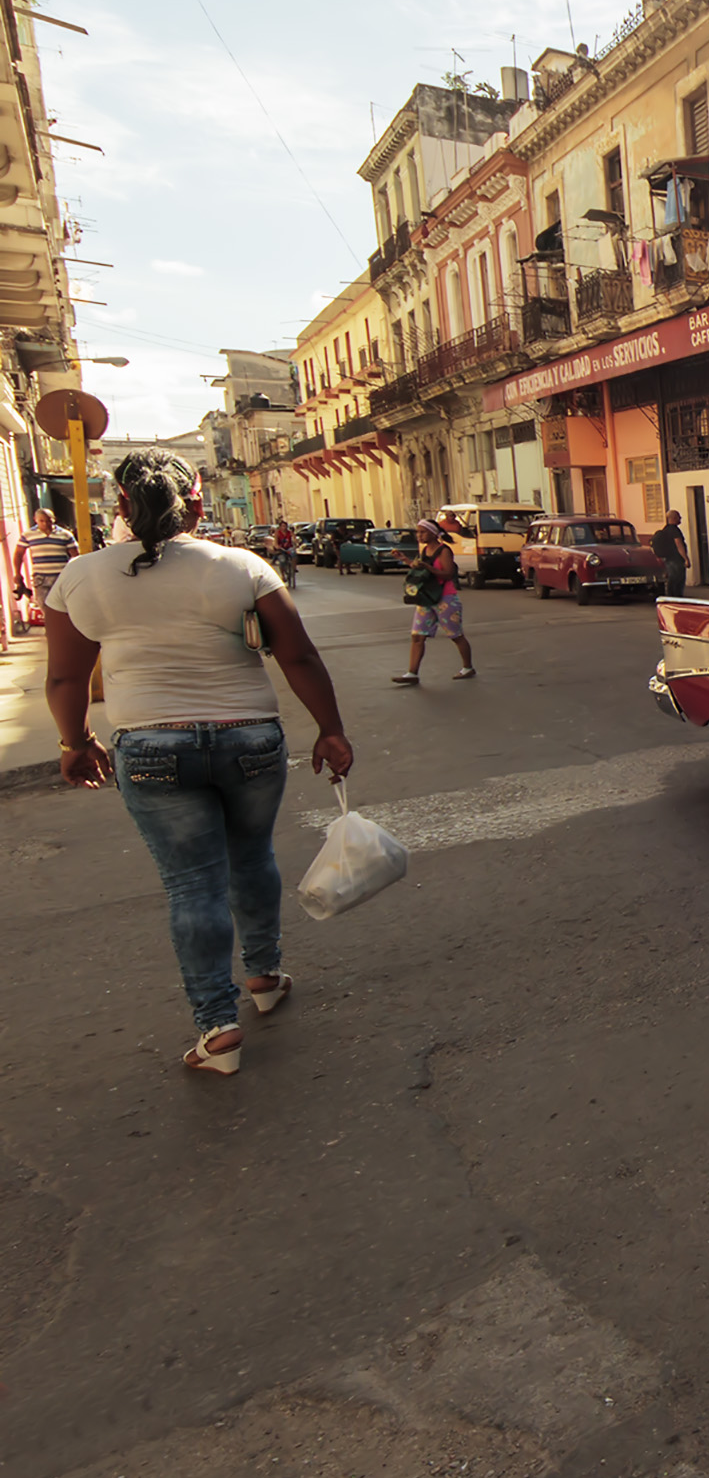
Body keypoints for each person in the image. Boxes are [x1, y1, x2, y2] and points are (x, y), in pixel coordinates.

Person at [42, 451, 352, 1077]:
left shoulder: (81, 576)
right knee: (252, 857)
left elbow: (64, 678)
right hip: (250, 739)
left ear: (121, 504)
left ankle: (217, 1026)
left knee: (193, 885)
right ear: (197, 504)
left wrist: (75, 742)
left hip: (152, 746)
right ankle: (264, 976)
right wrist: (330, 730)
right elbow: (298, 657)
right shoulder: (242, 566)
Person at [394, 518, 475, 684]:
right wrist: (405, 560)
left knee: (455, 635)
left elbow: (448, 574)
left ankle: (468, 667)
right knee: (417, 636)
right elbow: (420, 569)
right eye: (418, 532)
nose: (419, 536)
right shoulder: (425, 550)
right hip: (427, 598)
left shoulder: (444, 550)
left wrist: (429, 568)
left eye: (423, 532)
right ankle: (412, 673)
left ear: (433, 533)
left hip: (445, 598)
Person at [17, 507, 77, 621]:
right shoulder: (28, 535)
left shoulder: (65, 535)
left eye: (48, 520)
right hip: (41, 578)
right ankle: (52, 628)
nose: (45, 524)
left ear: (53, 519)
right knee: (45, 606)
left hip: (61, 577)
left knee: (64, 606)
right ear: (35, 520)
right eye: (41, 521)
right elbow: (19, 554)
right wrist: (17, 574)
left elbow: (75, 556)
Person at [653, 508, 691, 597]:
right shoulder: (674, 530)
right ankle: (677, 598)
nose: (680, 518)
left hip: (668, 559)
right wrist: (686, 559)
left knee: (671, 580)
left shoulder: (665, 529)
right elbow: (679, 545)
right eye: (678, 517)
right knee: (678, 580)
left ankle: (671, 597)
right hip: (676, 560)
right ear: (674, 518)